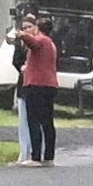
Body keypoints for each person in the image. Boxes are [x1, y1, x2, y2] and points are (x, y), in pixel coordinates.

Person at [15, 10, 61, 165]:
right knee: (47, 121)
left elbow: (32, 43)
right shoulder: (51, 44)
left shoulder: (41, 40)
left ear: (38, 28)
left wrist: (20, 35)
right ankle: (49, 156)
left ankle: (35, 157)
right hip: (50, 85)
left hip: (36, 85)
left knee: (33, 120)